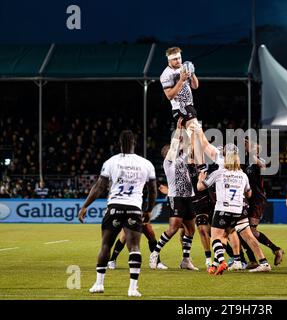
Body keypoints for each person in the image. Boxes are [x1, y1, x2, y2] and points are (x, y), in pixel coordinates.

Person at [78, 130, 157, 297]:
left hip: (114, 207)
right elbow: (153, 190)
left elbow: (99, 187)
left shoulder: (111, 162)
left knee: (106, 245)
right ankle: (133, 289)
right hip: (134, 208)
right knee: (134, 247)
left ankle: (99, 284)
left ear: (120, 144)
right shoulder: (146, 163)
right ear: (134, 143)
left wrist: (85, 206)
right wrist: (149, 210)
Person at [197, 144, 271, 275]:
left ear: (225, 157)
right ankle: (264, 263)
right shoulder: (242, 175)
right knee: (247, 237)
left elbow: (200, 188)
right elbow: (249, 194)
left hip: (223, 210)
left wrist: (200, 178)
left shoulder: (219, 173)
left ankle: (221, 261)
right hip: (239, 210)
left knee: (215, 237)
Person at [149, 118, 199, 271]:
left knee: (191, 230)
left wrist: (191, 129)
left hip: (188, 196)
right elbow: (176, 145)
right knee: (174, 227)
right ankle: (155, 254)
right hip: (176, 196)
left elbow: (188, 145)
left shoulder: (183, 158)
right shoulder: (168, 163)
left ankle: (185, 260)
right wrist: (178, 130)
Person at [243, 140, 284, 268]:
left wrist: (251, 152)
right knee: (243, 230)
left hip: (257, 200)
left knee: (251, 231)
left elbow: (264, 167)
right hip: (247, 199)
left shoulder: (260, 161)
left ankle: (275, 250)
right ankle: (253, 260)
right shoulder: (248, 163)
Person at [160, 46, 204, 165]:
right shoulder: (166, 74)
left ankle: (190, 165)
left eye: (179, 58)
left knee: (189, 141)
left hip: (189, 105)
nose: (178, 61)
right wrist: (181, 80)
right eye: (175, 59)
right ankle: (201, 167)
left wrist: (192, 74)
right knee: (197, 133)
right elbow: (169, 95)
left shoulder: (183, 68)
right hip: (181, 108)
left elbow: (195, 86)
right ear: (169, 60)